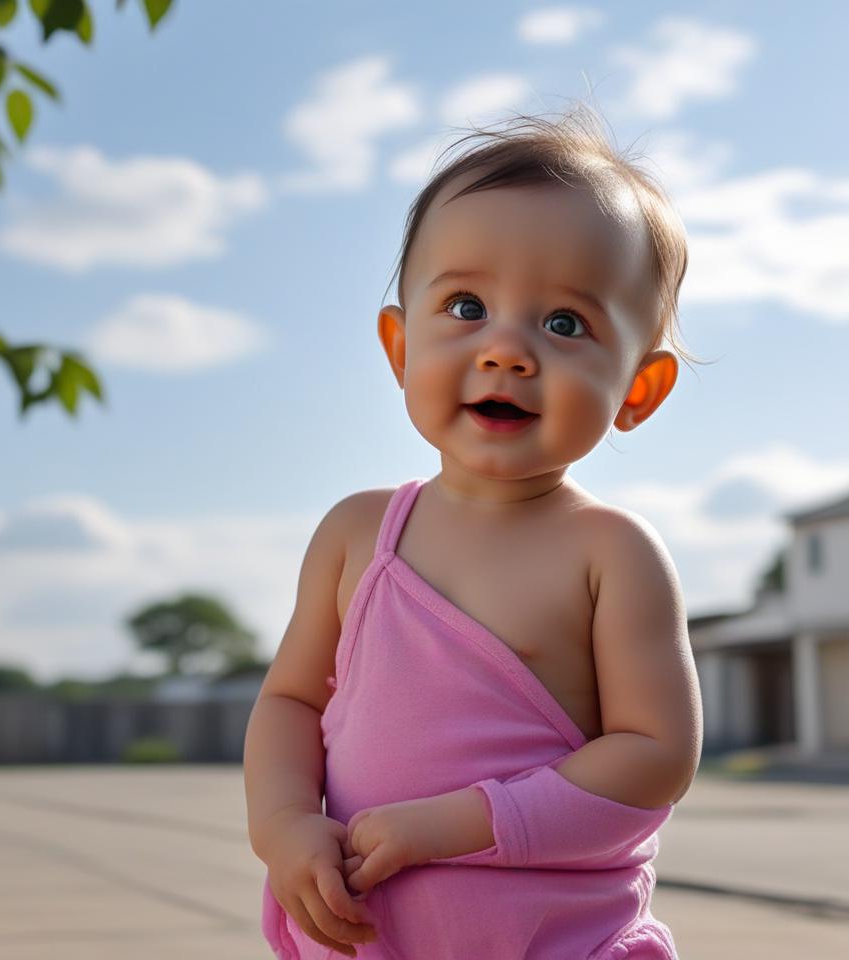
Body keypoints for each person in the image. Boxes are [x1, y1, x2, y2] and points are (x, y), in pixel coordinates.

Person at [244, 101, 705, 959]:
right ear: (400, 348)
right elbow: (292, 702)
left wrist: (454, 825)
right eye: (464, 306)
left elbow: (654, 758)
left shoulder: (611, 553)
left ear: (638, 390)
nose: (506, 350)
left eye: (565, 323)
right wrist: (282, 825)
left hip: (555, 942)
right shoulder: (356, 534)